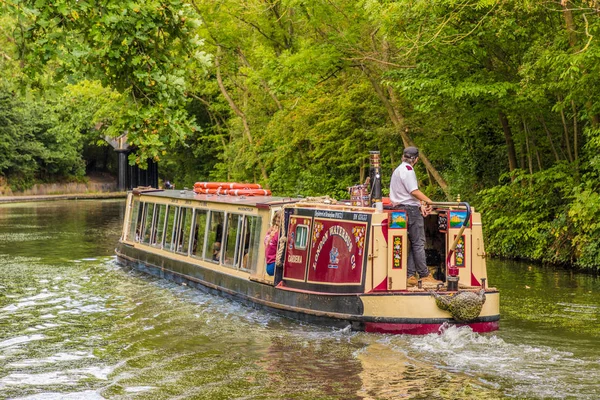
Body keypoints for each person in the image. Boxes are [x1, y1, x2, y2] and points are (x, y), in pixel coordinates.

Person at [390, 146, 441, 286]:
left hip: (402, 209)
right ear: (416, 159)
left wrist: (420, 204)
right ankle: (424, 274)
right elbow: (413, 191)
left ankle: (410, 275)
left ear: (403, 157)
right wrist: (428, 201)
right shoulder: (408, 170)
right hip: (410, 210)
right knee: (419, 242)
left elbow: (405, 194)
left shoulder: (398, 170)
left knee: (414, 242)